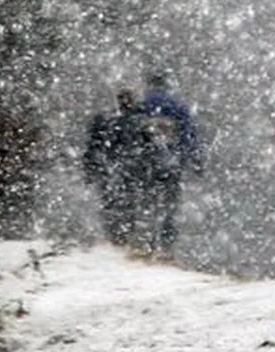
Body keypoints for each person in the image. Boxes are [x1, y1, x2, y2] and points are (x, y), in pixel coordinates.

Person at [134, 71, 202, 254]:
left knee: (146, 201)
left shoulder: (140, 106)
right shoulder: (177, 107)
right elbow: (188, 135)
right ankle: (166, 243)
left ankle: (145, 240)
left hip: (145, 161)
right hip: (172, 161)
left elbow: (130, 135)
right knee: (169, 203)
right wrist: (195, 160)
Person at [84, 89, 149, 244]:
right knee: (128, 201)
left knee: (110, 200)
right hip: (130, 166)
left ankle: (114, 233)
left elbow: (93, 145)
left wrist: (90, 167)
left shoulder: (106, 119)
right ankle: (125, 233)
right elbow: (147, 145)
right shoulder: (139, 120)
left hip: (110, 165)